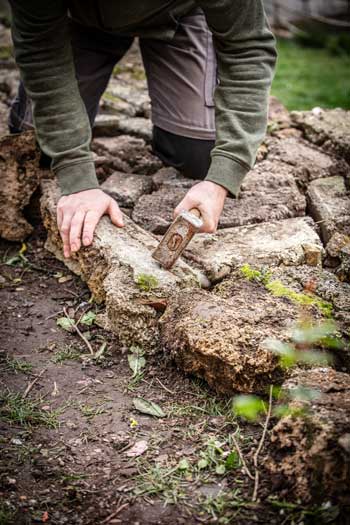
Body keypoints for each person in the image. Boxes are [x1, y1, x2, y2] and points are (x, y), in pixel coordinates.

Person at [8, 1, 276, 259]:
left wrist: (222, 176)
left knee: (201, 157)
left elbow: (247, 46)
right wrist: (77, 179)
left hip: (179, 16)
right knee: (38, 146)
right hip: (77, 18)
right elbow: (40, 49)